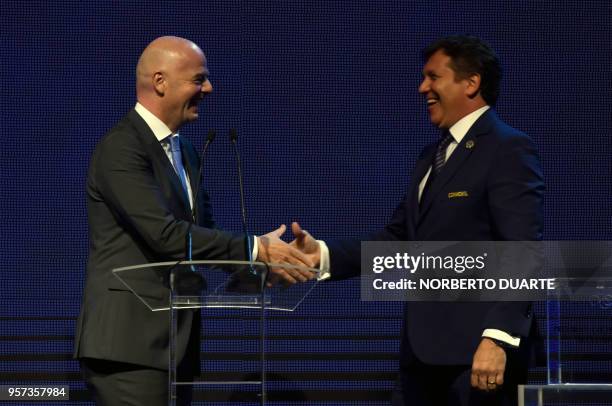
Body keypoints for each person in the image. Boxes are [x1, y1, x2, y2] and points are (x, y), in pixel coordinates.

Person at [291, 35, 544, 405]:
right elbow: (399, 240)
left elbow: (523, 252)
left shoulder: (507, 148)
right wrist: (322, 256)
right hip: (421, 356)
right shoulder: (432, 155)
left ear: (471, 83)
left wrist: (497, 338)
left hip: (478, 358)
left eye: (433, 77)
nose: (422, 87)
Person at [74, 36, 314, 406]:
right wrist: (254, 249)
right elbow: (166, 235)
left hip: (174, 347)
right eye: (199, 79)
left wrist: (257, 264)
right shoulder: (121, 147)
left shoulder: (184, 149)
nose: (209, 88)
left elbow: (199, 236)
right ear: (160, 82)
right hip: (128, 348)